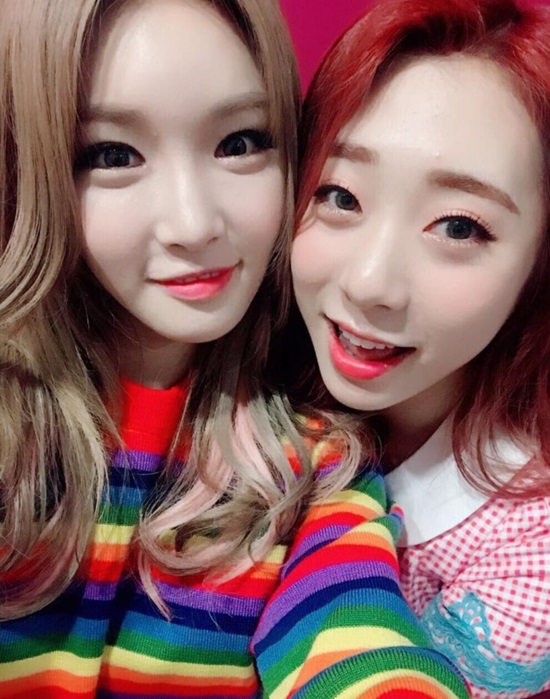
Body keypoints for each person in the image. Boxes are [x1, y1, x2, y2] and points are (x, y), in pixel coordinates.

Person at [0, 0, 470, 697]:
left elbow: (357, 640)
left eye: (240, 143)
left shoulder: (313, 470)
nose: (194, 223)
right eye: (113, 155)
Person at [291, 0, 550, 696]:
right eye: (340, 195)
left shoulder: (530, 551)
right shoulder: (237, 375)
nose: (370, 283)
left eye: (459, 227)